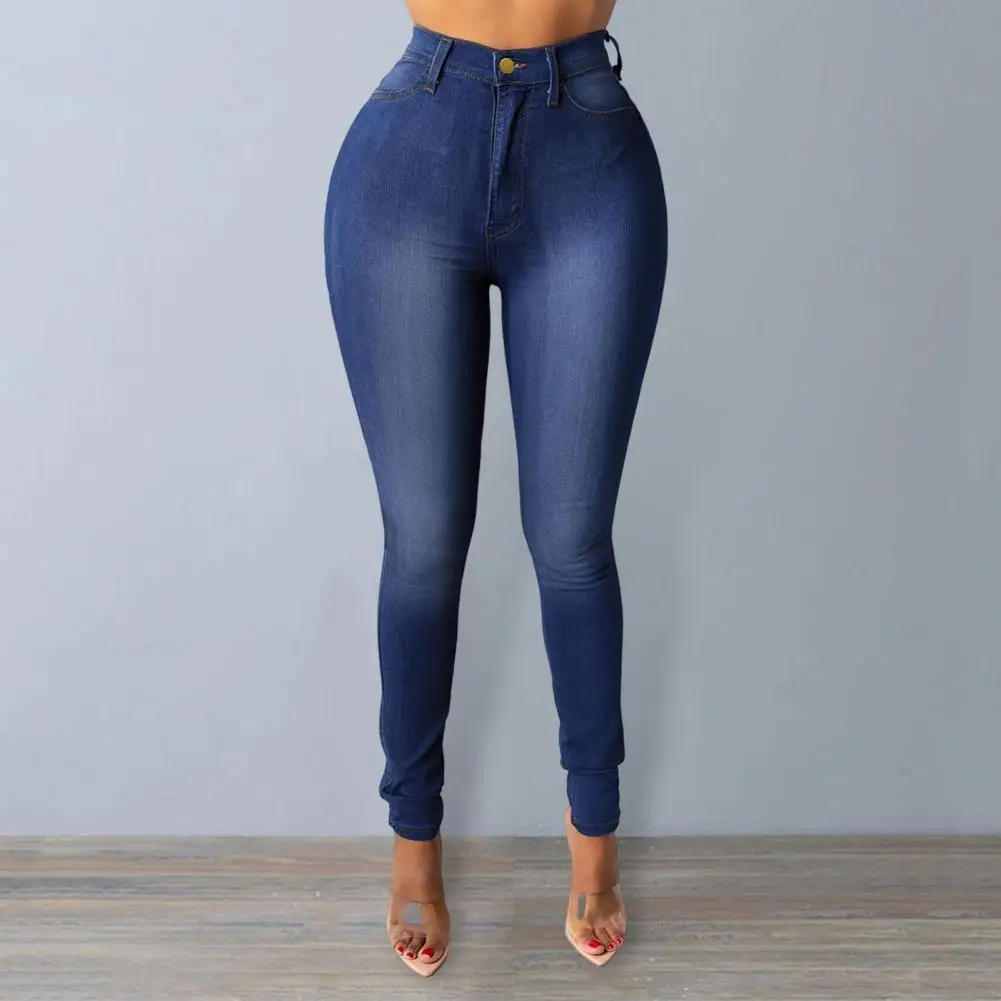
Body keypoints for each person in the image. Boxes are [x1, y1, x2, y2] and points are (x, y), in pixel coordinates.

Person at [323, 0, 667, 975]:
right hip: (413, 147)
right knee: (423, 543)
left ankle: (593, 833)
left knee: (572, 543)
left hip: (585, 147)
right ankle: (412, 841)